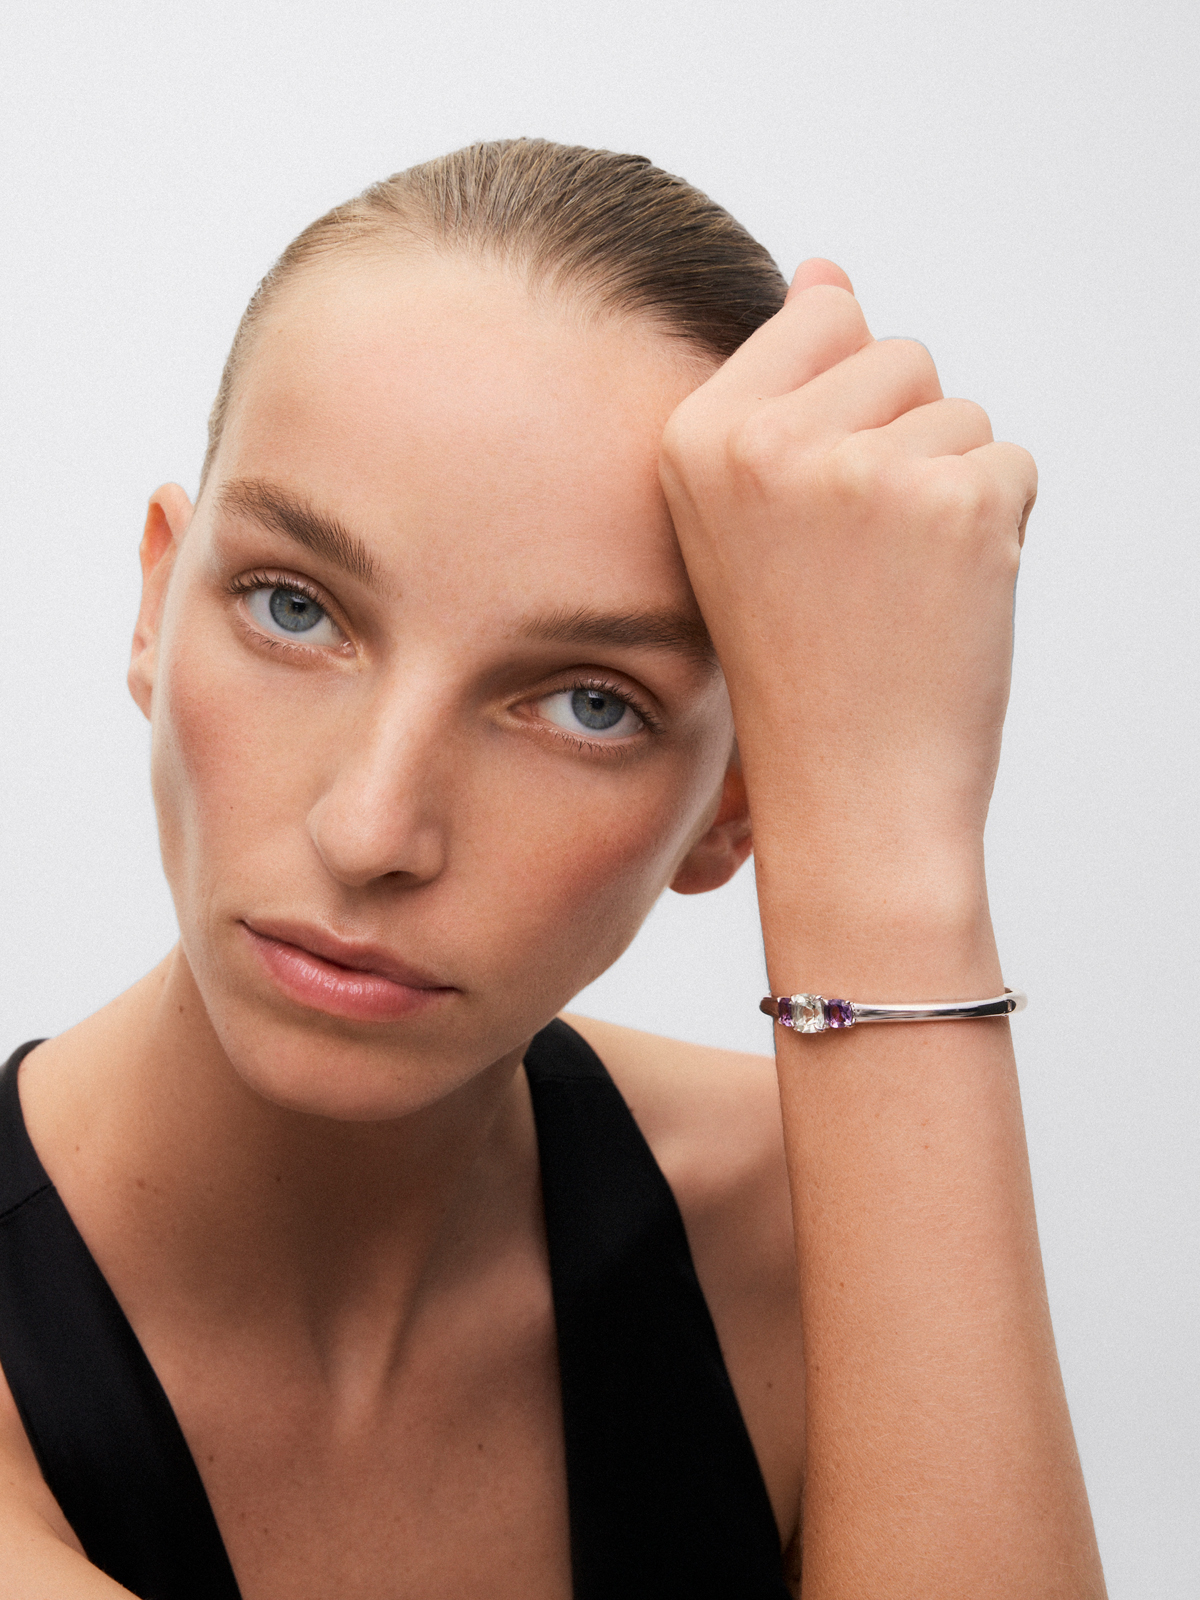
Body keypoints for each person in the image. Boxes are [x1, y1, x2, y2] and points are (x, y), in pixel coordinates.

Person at [0, 139, 1107, 1599]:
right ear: (158, 601)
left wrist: (889, 837)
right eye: (291, 606)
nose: (372, 830)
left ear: (735, 810)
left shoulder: (805, 1241)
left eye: (591, 703)